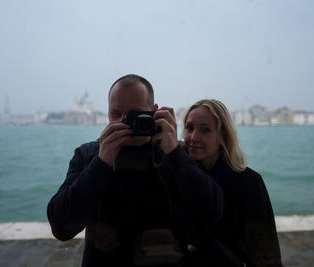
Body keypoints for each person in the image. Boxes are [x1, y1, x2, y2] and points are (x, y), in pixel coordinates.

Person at [47, 75, 224, 267]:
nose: (125, 122)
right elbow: (61, 228)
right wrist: (101, 162)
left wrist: (174, 153)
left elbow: (213, 212)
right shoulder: (88, 155)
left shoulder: (175, 154)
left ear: (154, 111)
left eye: (134, 114)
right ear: (107, 113)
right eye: (116, 114)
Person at [182, 99, 282, 267]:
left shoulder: (248, 183)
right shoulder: (181, 176)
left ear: (222, 136)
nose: (194, 137)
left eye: (205, 130)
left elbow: (265, 252)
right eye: (189, 128)